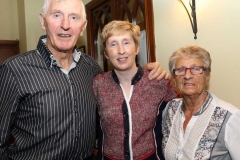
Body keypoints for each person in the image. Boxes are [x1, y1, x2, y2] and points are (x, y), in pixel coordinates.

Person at [0, 0, 167, 159]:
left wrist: (147, 73)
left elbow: (119, 89)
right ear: (43, 21)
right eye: (57, 15)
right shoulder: (14, 70)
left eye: (74, 17)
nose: (65, 25)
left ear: (82, 27)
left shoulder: (91, 68)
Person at [92, 20, 178, 160]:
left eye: (126, 42)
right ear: (106, 54)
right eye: (113, 44)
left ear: (136, 48)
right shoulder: (98, 84)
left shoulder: (157, 82)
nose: (121, 50)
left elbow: (182, 113)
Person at [162, 45, 240, 160]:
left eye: (196, 69)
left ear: (207, 76)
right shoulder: (170, 109)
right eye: (181, 70)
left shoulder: (229, 117)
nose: (187, 76)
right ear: (174, 78)